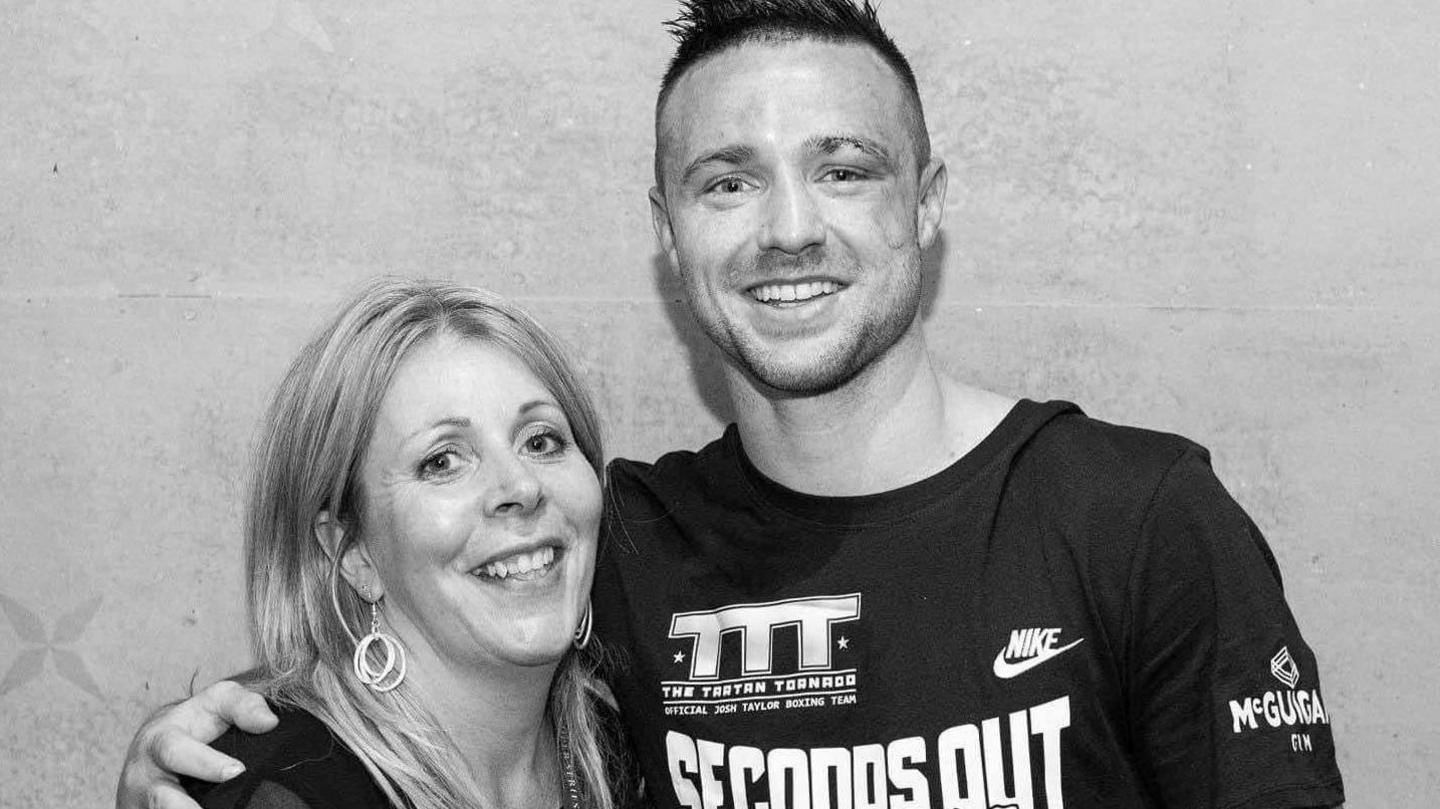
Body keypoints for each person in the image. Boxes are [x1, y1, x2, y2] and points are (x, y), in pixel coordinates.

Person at [118, 2, 1345, 808]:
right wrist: (206, 764)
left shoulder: (1136, 513)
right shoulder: (613, 545)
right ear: (669, 233)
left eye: (845, 168)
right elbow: (409, 641)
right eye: (727, 181)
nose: (790, 228)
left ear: (926, 203)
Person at [151, 278, 639, 809]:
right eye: (442, 461)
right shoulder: (285, 792)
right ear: (353, 552)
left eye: (541, 441)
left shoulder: (619, 749)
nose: (520, 487)